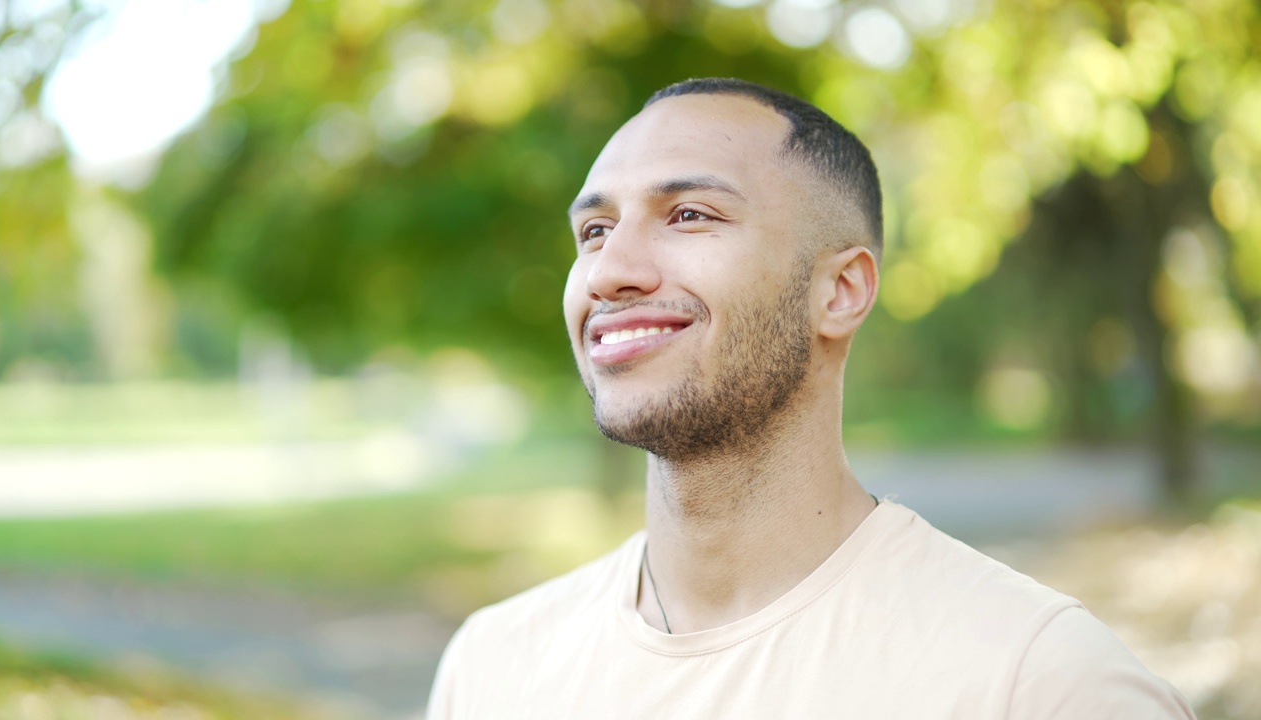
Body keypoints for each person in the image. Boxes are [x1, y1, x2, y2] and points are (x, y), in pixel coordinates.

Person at [425, 78, 1194, 719]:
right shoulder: (493, 668)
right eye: (594, 231)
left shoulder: (1037, 681)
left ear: (841, 291)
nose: (607, 271)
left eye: (689, 214)